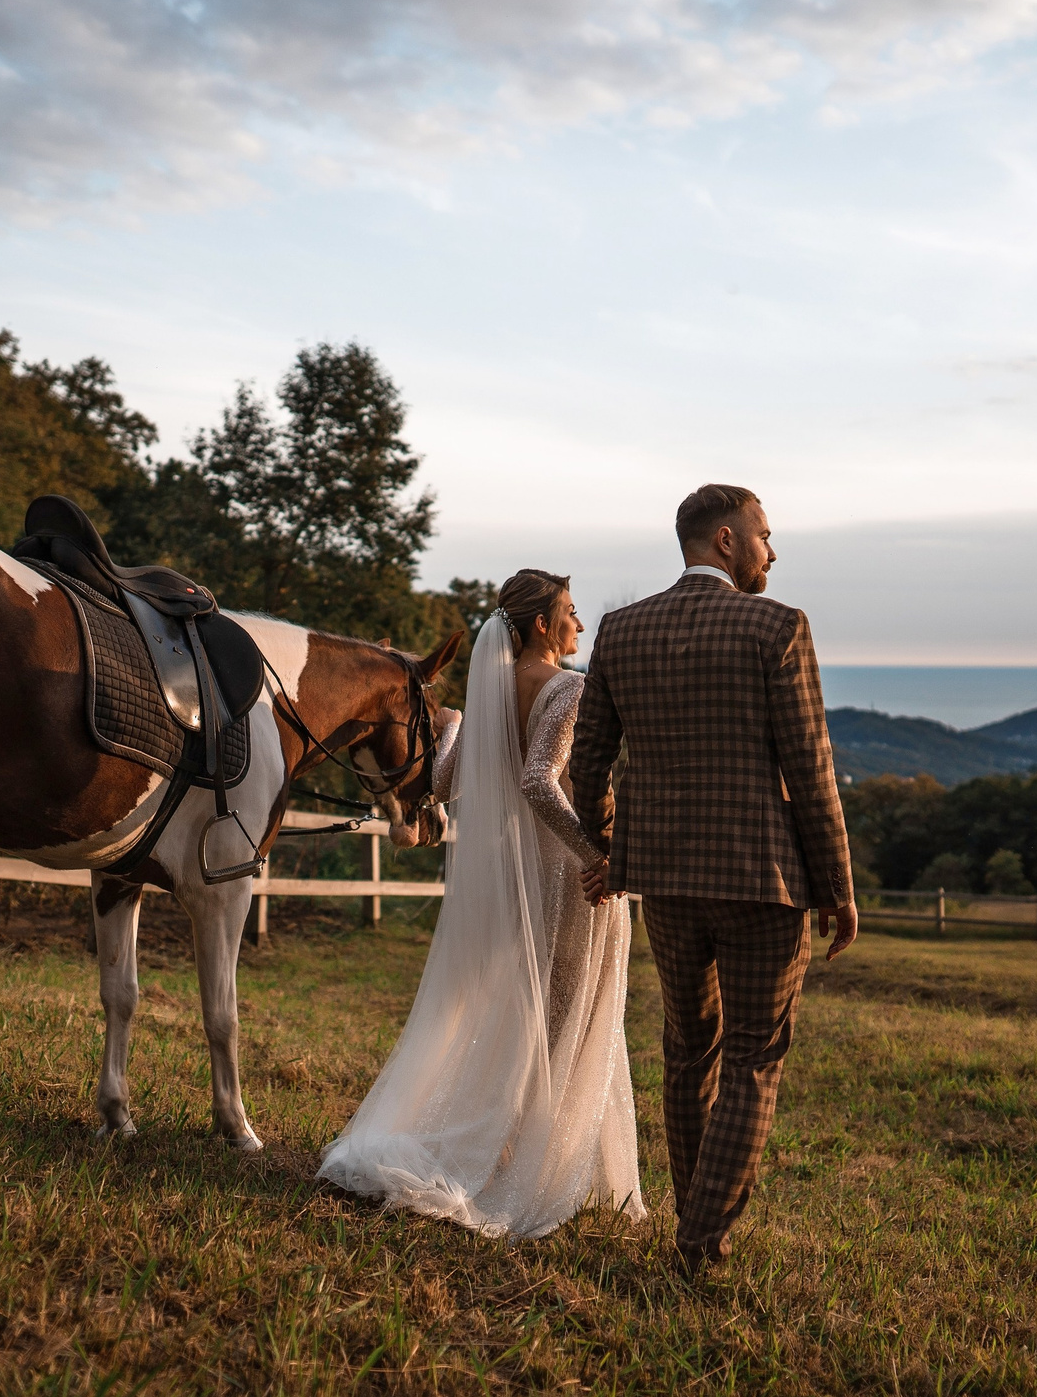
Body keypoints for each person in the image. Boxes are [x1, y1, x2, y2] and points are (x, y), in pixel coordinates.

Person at [568, 483, 855, 1275]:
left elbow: (588, 761)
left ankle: (692, 1221)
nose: (772, 551)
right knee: (754, 1056)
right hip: (763, 882)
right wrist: (837, 886)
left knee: (689, 1049)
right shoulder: (777, 626)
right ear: (726, 542)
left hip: (664, 880)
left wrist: (611, 852)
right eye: (765, 535)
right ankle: (700, 1241)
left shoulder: (621, 631)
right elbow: (811, 764)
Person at [316, 570, 645, 1238]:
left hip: (514, 874)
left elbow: (440, 781)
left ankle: (512, 1149)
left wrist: (460, 727)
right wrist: (596, 858)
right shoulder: (570, 689)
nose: (580, 627)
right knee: (567, 1020)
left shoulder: (489, 696)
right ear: (544, 627)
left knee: (528, 1013)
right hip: (567, 879)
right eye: (571, 615)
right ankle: (531, 1164)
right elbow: (538, 783)